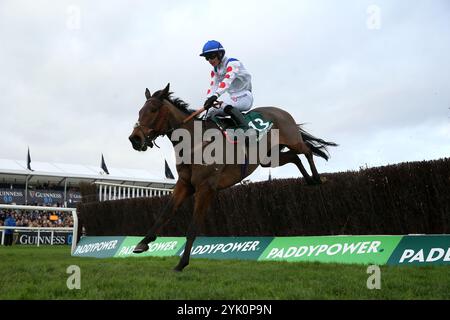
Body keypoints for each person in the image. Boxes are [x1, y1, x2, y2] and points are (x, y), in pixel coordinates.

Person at [200, 40, 253, 129]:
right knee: (210, 112)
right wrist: (208, 99)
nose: (209, 60)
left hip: (245, 96)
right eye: (207, 57)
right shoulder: (215, 70)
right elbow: (213, 85)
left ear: (220, 54)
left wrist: (215, 96)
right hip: (233, 97)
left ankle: (247, 130)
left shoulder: (233, 63)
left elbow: (227, 81)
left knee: (222, 105)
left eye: (211, 56)